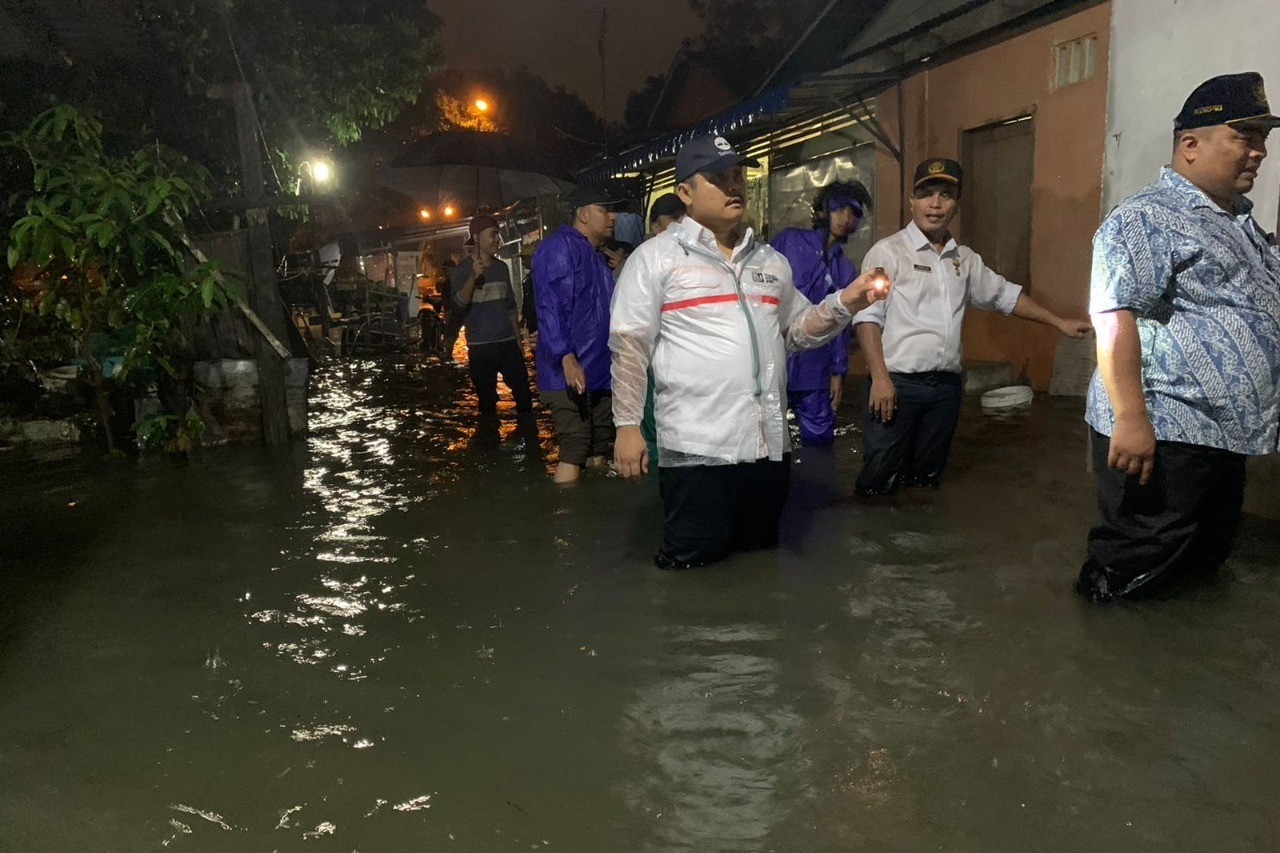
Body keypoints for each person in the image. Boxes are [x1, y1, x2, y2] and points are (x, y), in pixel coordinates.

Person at [610, 135, 890, 569]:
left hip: (766, 448)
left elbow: (796, 331)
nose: (734, 185)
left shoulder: (769, 261)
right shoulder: (655, 259)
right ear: (685, 192)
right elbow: (630, 346)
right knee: (692, 566)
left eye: (737, 174)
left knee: (759, 562)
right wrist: (627, 424)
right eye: (718, 178)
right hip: (697, 451)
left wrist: (846, 303)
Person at [1077, 72, 1280, 602]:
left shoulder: (1238, 222)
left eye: (1263, 138)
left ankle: (1167, 673)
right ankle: (1105, 664)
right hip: (1164, 430)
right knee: (1136, 560)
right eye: (1245, 136)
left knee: (1202, 560)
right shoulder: (1146, 218)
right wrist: (1131, 418)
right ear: (1190, 144)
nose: (1259, 152)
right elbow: (1113, 317)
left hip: (1221, 434)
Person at [852, 158, 1092, 497]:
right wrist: (879, 378)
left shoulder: (963, 260)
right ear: (912, 200)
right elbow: (867, 318)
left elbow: (1004, 296)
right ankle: (875, 542)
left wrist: (1059, 322)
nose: (935, 204)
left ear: (957, 204)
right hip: (897, 384)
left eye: (945, 195)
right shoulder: (888, 253)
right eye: (926, 194)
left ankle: (917, 543)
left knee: (927, 479)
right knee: (880, 479)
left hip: (945, 391)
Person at [770, 180, 871, 445]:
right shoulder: (789, 240)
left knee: (819, 438)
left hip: (814, 366)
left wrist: (837, 373)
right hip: (774, 357)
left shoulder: (845, 269)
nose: (845, 218)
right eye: (839, 209)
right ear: (823, 211)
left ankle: (819, 484)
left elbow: (839, 326)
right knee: (765, 437)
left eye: (853, 213)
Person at [533, 185, 623, 483]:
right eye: (604, 209)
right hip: (567, 371)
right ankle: (565, 520)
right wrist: (566, 356)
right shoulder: (558, 248)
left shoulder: (597, 257)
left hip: (598, 369)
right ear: (583, 214)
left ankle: (593, 511)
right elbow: (550, 305)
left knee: (599, 443)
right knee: (574, 443)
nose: (613, 216)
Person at [452, 215, 532, 419]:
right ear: (477, 237)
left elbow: (511, 307)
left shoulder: (501, 268)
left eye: (498, 234)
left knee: (524, 396)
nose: (498, 239)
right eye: (493, 234)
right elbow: (459, 306)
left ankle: (528, 442)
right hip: (480, 347)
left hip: (507, 343)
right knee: (487, 403)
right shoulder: (461, 271)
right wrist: (472, 277)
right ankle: (489, 445)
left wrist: (518, 341)